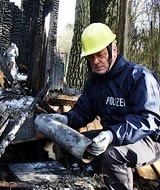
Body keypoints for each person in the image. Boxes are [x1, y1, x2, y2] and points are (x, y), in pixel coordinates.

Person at [35, 22, 160, 190]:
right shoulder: (95, 82)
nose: (96, 61)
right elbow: (83, 111)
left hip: (147, 140)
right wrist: (65, 118)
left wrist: (111, 135)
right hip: (113, 136)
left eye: (100, 55)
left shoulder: (139, 77)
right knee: (76, 143)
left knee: (112, 155)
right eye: (91, 57)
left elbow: (147, 121)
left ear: (113, 50)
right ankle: (78, 182)